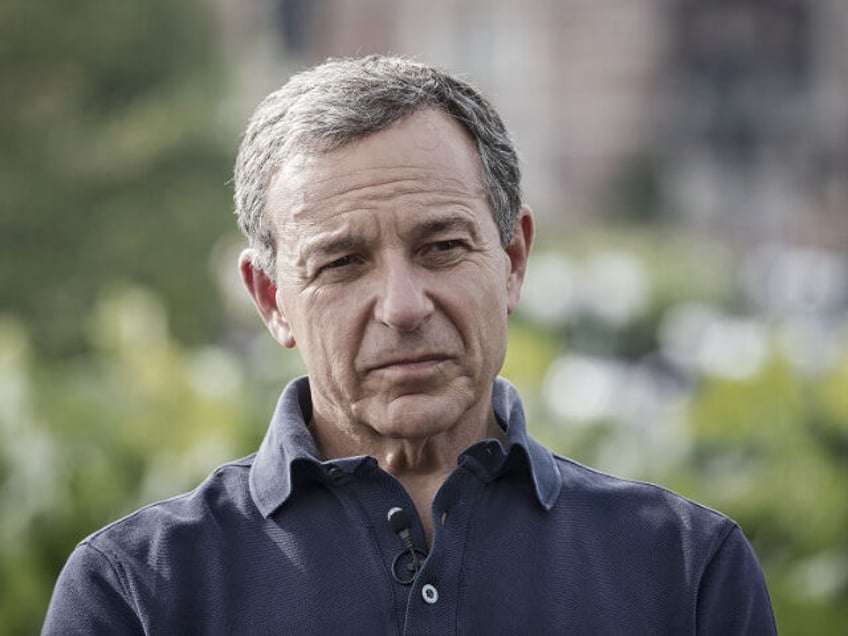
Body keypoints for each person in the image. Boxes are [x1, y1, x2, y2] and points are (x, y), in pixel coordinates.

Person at [43, 55, 777, 634]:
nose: (401, 306)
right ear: (271, 300)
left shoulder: (685, 570)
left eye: (442, 247)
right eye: (342, 263)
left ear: (513, 259)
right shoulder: (135, 592)